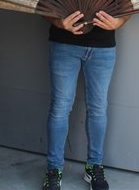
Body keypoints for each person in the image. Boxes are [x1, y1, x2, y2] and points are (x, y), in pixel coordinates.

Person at [41, 10, 130, 190]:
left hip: (103, 46)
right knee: (60, 108)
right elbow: (42, 0)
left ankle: (94, 166)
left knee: (98, 108)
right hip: (64, 43)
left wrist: (119, 22)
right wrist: (58, 23)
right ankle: (54, 170)